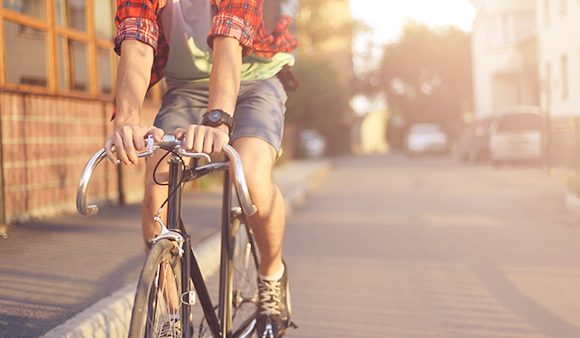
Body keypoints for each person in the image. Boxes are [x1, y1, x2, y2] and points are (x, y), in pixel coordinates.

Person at [104, 0, 298, 337]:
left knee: (251, 176)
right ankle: (172, 319)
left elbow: (228, 39)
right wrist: (127, 121)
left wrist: (218, 120)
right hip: (186, 88)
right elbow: (136, 43)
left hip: (256, 79)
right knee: (155, 194)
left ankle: (271, 277)